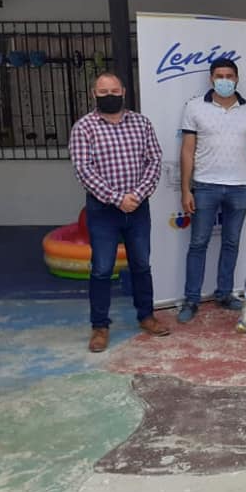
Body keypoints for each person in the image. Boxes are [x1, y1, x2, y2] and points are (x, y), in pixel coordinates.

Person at [69, 72, 168, 352]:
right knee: (101, 269)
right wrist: (117, 198)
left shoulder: (141, 123)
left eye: (114, 90)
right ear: (94, 94)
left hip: (138, 207)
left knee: (141, 264)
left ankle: (146, 316)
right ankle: (100, 326)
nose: (109, 96)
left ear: (123, 91)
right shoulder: (84, 127)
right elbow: (83, 170)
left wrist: (137, 195)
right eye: (103, 92)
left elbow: (154, 160)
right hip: (103, 210)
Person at [177, 58, 246, 323]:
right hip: (205, 185)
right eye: (219, 76)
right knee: (198, 243)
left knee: (231, 242)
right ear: (211, 79)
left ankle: (225, 293)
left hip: (240, 186)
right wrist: (185, 189)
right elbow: (187, 150)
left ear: (237, 79)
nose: (225, 80)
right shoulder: (195, 108)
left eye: (229, 76)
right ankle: (191, 299)